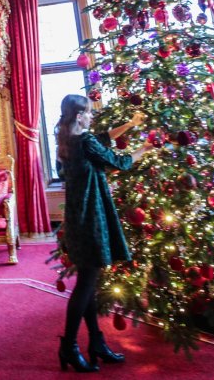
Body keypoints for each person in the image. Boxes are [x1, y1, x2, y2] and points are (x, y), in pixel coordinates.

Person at [56, 94, 148, 373]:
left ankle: (95, 341)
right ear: (79, 116)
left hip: (77, 219)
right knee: (86, 285)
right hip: (91, 220)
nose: (92, 115)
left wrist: (130, 124)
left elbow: (102, 138)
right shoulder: (84, 142)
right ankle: (69, 346)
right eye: (88, 112)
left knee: (88, 281)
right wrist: (145, 148)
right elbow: (119, 161)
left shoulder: (67, 140)